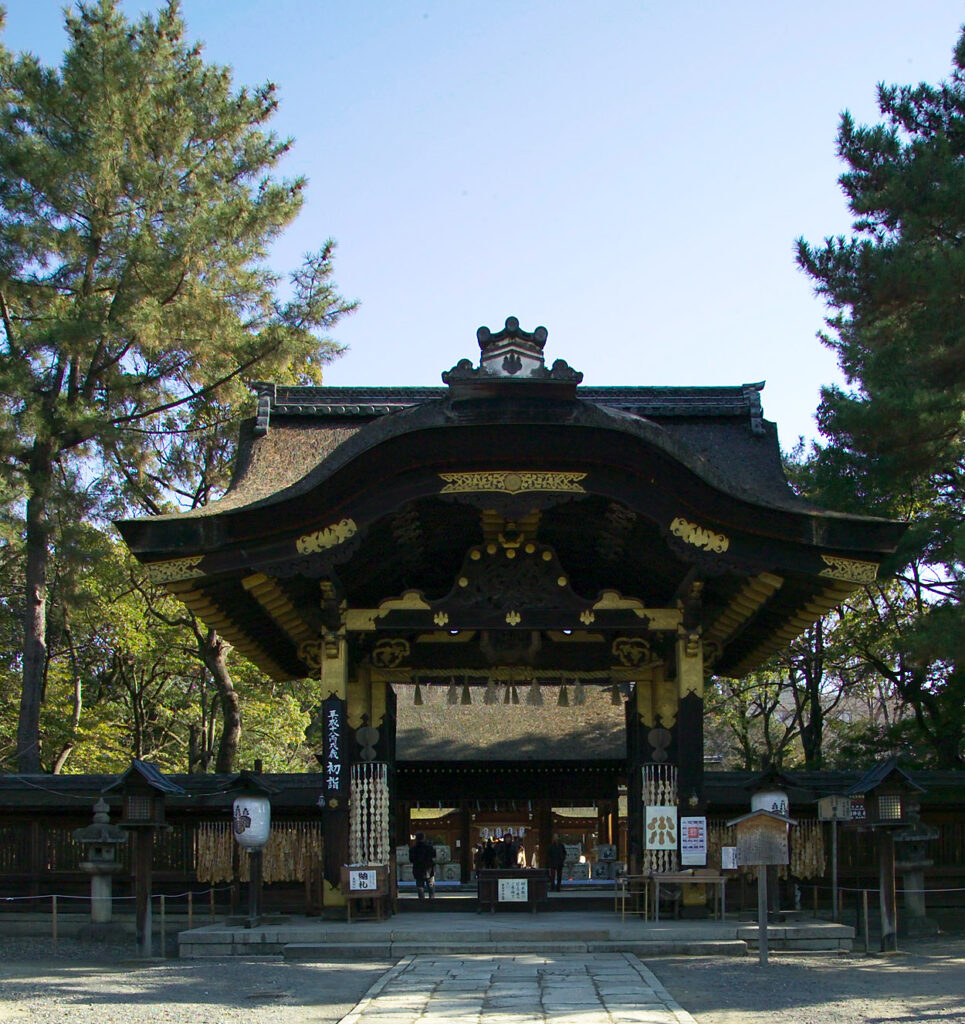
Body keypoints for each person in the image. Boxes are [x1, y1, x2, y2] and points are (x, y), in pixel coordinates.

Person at [409, 832, 436, 900]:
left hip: (418, 869)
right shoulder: (429, 847)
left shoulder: (413, 848)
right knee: (430, 885)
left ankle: (421, 901)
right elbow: (434, 855)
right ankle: (432, 900)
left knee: (420, 886)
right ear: (424, 838)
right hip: (429, 869)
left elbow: (411, 859)